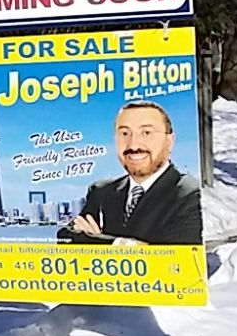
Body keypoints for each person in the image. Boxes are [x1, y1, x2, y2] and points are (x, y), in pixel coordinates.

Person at [57, 99, 203, 247]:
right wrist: (125, 244)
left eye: (146, 132)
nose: (133, 145)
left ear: (169, 140)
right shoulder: (101, 192)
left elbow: (174, 257)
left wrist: (97, 240)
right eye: (124, 133)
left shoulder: (192, 194)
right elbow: (66, 237)